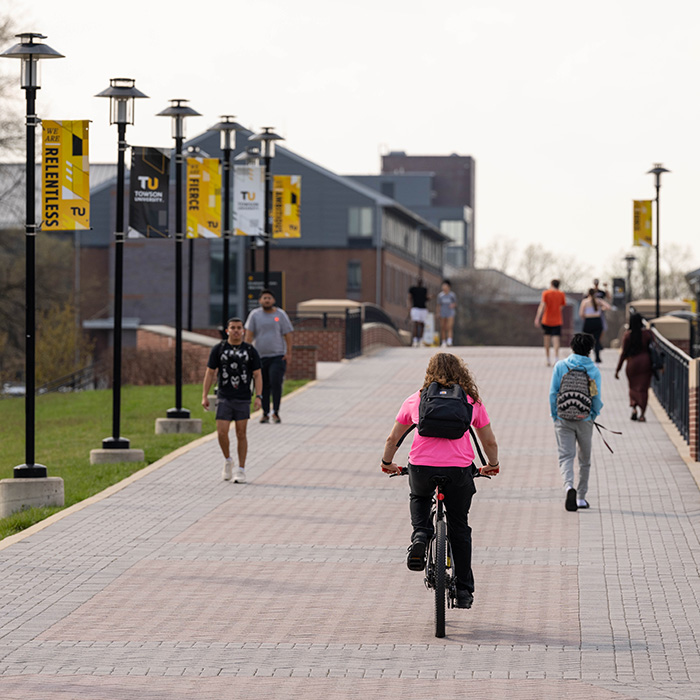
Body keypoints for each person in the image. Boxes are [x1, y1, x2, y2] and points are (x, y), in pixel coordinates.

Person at [380, 353, 501, 609]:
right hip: (458, 471)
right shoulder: (471, 401)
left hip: (422, 468)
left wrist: (387, 462)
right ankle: (465, 590)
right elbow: (489, 441)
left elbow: (393, 439)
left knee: (420, 496)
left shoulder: (416, 399)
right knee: (460, 527)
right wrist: (492, 465)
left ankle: (421, 535)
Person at [202, 317, 262, 483]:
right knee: (221, 432)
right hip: (224, 396)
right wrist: (204, 395)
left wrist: (259, 396)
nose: (236, 331)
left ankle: (241, 469)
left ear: (243, 331)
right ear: (227, 330)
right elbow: (210, 372)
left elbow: (257, 374)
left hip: (242, 397)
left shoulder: (250, 350)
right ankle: (228, 460)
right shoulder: (219, 349)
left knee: (241, 433)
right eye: (233, 328)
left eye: (239, 328)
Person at [549, 333, 603, 511]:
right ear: (590, 349)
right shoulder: (593, 370)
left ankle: (568, 486)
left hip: (563, 418)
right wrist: (592, 415)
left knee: (566, 456)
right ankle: (581, 497)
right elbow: (596, 397)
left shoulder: (561, 365)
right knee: (584, 459)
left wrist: (555, 415)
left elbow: (553, 393)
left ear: (572, 347)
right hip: (584, 419)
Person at [244, 289, 294, 424]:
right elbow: (249, 335)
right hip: (260, 357)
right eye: (264, 298)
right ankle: (265, 413)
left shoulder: (280, 315)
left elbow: (288, 334)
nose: (267, 300)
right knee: (263, 385)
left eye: (269, 298)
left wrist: (288, 353)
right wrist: (246, 353)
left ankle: (276, 412)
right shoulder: (255, 315)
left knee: (275, 382)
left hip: (278, 356)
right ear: (260, 301)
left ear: (273, 301)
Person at [615, 313, 654, 422]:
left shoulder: (628, 335)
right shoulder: (648, 334)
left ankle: (634, 408)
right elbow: (654, 349)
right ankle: (642, 414)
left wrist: (618, 369)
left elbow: (623, 353)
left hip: (632, 364)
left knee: (633, 387)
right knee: (643, 389)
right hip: (646, 363)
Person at [534, 279, 567, 366]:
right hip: (557, 320)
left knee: (547, 340)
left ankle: (548, 359)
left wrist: (537, 318)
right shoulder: (561, 294)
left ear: (551, 284)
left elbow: (542, 305)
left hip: (546, 319)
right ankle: (556, 358)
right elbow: (562, 306)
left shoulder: (546, 293)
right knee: (556, 340)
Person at [579, 288, 611, 363]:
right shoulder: (598, 301)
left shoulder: (585, 301)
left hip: (588, 321)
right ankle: (597, 358)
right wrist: (601, 309)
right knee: (596, 340)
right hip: (597, 321)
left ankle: (586, 358)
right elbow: (608, 306)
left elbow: (581, 313)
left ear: (588, 294)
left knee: (586, 340)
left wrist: (585, 318)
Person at [408, 277, 429, 347]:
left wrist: (430, 297)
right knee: (416, 324)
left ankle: (421, 340)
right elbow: (409, 298)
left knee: (422, 324)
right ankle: (415, 340)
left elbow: (426, 298)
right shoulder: (413, 289)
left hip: (423, 308)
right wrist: (409, 307)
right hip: (416, 308)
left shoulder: (424, 290)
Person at [437, 279, 457, 347]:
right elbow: (439, 305)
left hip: (450, 312)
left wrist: (453, 305)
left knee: (449, 327)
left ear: (449, 287)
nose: (444, 288)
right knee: (443, 327)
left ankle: (449, 341)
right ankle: (443, 341)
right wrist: (438, 312)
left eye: (446, 286)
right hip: (443, 312)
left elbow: (455, 303)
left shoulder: (452, 295)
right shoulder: (440, 295)